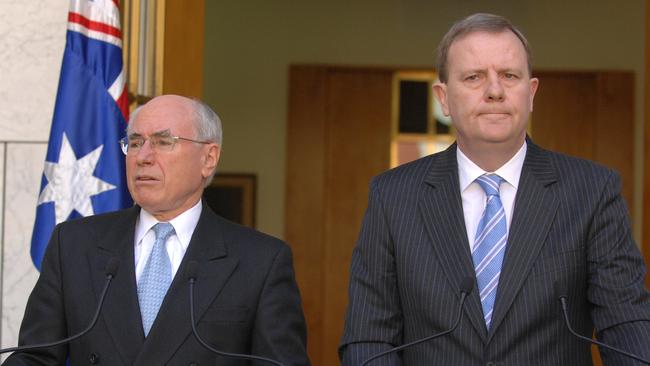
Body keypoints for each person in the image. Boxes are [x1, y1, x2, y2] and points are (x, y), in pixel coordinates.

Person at [340, 13, 650, 365]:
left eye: (509, 75)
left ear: (531, 93)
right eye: (474, 77)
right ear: (443, 98)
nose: (494, 91)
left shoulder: (592, 191)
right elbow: (368, 340)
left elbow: (628, 330)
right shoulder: (392, 196)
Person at [5, 95, 310, 365]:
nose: (143, 156)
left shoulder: (260, 261)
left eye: (164, 142)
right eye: (135, 142)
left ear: (209, 158)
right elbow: (35, 356)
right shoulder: (73, 244)